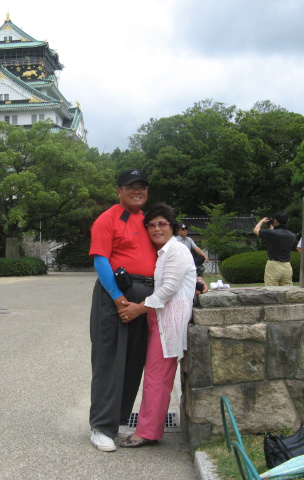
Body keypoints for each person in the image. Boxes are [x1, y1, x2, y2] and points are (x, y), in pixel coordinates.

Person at [116, 203, 199, 448]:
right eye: (151, 225)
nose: (156, 228)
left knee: (156, 377)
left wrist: (137, 309)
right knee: (155, 376)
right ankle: (148, 428)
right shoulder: (164, 252)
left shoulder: (176, 251)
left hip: (169, 321)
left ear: (172, 226)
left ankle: (147, 432)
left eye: (162, 223)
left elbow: (168, 290)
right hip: (158, 318)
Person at [88, 169, 157, 452]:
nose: (137, 191)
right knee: (109, 359)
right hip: (117, 294)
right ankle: (101, 426)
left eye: (142, 186)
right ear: (119, 190)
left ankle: (119, 420)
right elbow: (101, 259)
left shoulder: (150, 220)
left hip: (145, 299)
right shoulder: (108, 219)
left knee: (133, 360)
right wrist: (117, 298)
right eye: (131, 187)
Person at [253, 211, 297, 286]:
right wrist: (271, 231)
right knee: (288, 291)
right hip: (287, 266)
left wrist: (262, 221)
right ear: (287, 221)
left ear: (276, 221)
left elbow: (256, 230)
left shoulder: (272, 233)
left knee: (272, 292)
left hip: (273, 265)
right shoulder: (292, 236)